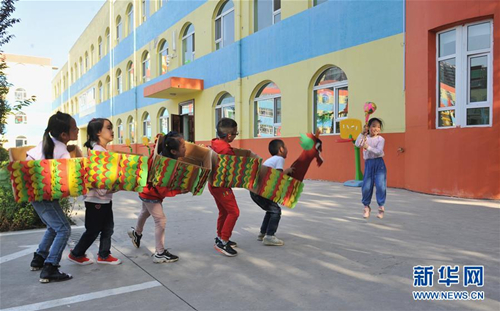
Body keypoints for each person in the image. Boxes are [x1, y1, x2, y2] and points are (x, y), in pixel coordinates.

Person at [27, 111, 79, 283]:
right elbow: (69, 178)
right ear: (64, 135)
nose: (78, 130)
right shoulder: (62, 150)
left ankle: (39, 258)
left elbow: (28, 161)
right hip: (46, 198)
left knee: (53, 226)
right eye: (74, 128)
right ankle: (51, 266)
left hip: (35, 195)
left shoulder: (45, 144)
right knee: (64, 229)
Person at [68, 118, 122, 266]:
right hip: (97, 198)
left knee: (107, 228)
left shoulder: (101, 150)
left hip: (103, 198)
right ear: (99, 132)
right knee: (93, 229)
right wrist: (109, 189)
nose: (112, 131)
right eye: (109, 128)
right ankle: (77, 253)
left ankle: (104, 255)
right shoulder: (98, 152)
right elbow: (97, 177)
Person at [128, 131, 186, 263]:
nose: (186, 148)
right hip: (151, 194)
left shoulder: (162, 154)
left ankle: (136, 233)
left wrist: (159, 137)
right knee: (160, 220)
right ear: (173, 151)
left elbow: (156, 145)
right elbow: (162, 190)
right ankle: (159, 253)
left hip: (146, 191)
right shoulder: (165, 166)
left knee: (145, 212)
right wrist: (179, 191)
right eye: (183, 147)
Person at [250, 139, 293, 246]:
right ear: (281, 149)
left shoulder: (271, 159)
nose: (287, 150)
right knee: (276, 211)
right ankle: (269, 236)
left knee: (270, 210)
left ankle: (263, 233)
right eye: (286, 147)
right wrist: (287, 171)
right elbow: (277, 176)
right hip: (261, 191)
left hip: (256, 191)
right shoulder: (279, 159)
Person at [209, 118, 240, 257]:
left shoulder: (215, 143)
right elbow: (235, 166)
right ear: (229, 135)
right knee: (234, 212)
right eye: (235, 133)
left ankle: (220, 236)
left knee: (224, 211)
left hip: (214, 184)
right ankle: (223, 241)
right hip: (222, 186)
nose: (235, 136)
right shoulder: (226, 149)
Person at [355, 118, 386, 219]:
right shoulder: (365, 137)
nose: (376, 128)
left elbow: (379, 152)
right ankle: (366, 207)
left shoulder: (381, 139)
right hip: (369, 164)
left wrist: (367, 147)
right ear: (368, 127)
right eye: (373, 126)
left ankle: (381, 207)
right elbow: (357, 144)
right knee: (367, 187)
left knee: (380, 185)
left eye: (378, 127)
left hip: (379, 164)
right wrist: (362, 133)